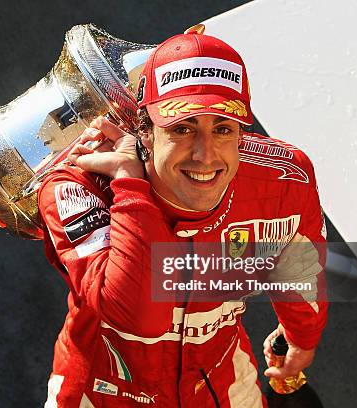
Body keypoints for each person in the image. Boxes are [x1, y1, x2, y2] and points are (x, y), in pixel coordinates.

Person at [38, 26, 328, 407]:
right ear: (143, 131)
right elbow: (139, 317)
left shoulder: (285, 178)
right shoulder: (76, 186)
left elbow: (301, 267)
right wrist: (129, 184)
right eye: (182, 128)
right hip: (101, 392)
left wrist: (301, 337)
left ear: (243, 133)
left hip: (222, 380)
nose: (205, 155)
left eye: (223, 128)